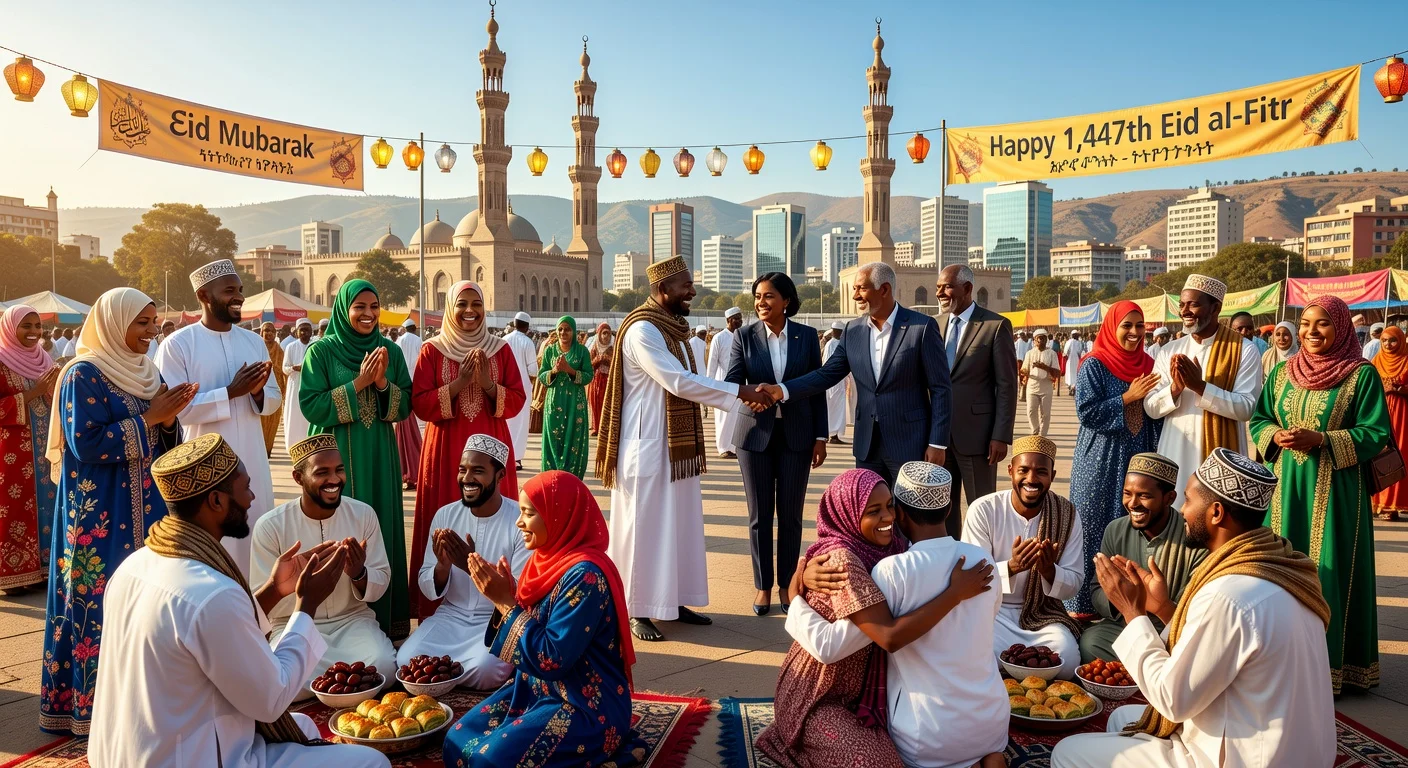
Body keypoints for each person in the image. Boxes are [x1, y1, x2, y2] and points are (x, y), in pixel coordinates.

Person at [90, 433, 391, 768]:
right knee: (371, 762)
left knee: (304, 725)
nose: (251, 498)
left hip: (126, 753)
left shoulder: (133, 565)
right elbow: (272, 701)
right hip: (192, 758)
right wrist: (307, 603)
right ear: (217, 502)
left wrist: (275, 590)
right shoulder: (213, 593)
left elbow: (217, 627)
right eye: (245, 488)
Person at [1050, 449, 1335, 768]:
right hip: (1295, 749)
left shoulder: (1228, 594)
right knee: (1123, 719)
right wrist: (1162, 609)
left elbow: (1173, 701)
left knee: (1067, 752)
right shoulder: (1281, 568)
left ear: (1215, 513)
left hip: (1245, 759)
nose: (1182, 511)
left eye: (1187, 500)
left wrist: (1134, 612)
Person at [758, 466, 1001, 768]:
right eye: (873, 511)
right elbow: (837, 646)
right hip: (823, 694)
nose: (887, 518)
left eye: (890, 507)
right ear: (846, 512)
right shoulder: (842, 560)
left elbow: (926, 548)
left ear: (902, 512)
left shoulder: (894, 552)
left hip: (868, 697)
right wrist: (795, 598)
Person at [595, 255, 773, 642]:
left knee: (679, 526)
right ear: (663, 290)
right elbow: (678, 381)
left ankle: (672, 600)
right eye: (685, 285)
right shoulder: (643, 330)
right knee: (645, 530)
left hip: (675, 450)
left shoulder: (670, 329)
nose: (692, 291)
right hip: (648, 447)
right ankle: (638, 607)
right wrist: (740, 392)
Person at [40, 288, 193, 736]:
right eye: (141, 323)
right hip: (97, 516)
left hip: (149, 511)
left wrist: (168, 419)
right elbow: (84, 443)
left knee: (148, 604)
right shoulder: (80, 374)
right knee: (97, 603)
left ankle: (148, 706)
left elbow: (168, 443)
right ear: (113, 322)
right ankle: (91, 714)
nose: (151, 332)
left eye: (153, 322)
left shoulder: (147, 372)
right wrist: (150, 419)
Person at [441, 470, 646, 767]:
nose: (519, 522)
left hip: (584, 705)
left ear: (557, 516)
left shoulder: (585, 576)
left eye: (528, 513)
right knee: (457, 740)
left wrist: (504, 602)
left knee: (489, 761)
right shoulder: (544, 561)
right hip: (534, 691)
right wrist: (506, 598)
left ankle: (612, 747)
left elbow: (552, 659)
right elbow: (527, 629)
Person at [1250, 294, 1388, 694]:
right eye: (1306, 323)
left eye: (1322, 323)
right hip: (1285, 489)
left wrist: (1323, 439)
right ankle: (1277, 663)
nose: (1311, 332)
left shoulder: (1361, 375)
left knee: (1331, 571)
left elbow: (1376, 433)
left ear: (1342, 327)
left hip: (1338, 492)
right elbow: (1261, 417)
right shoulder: (1282, 373)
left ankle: (1330, 669)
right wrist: (1273, 434)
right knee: (1279, 571)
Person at [757, 262, 951, 486]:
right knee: (871, 512)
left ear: (884, 289)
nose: (855, 296)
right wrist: (782, 390)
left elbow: (941, 389)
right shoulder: (853, 330)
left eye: (861, 288)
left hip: (910, 442)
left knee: (908, 518)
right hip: (867, 446)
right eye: (854, 289)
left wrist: (937, 443)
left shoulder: (922, 327)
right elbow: (826, 374)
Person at [299, 279, 413, 640]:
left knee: (379, 524)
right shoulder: (321, 352)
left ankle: (386, 622)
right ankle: (337, 621)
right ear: (343, 309)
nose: (368, 314)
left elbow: (406, 405)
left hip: (379, 455)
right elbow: (311, 404)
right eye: (359, 307)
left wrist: (382, 385)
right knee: (340, 528)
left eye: (374, 307)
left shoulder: (390, 352)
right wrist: (360, 383)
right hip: (334, 456)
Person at [409, 282, 525, 620]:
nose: (470, 310)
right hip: (446, 450)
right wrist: (459, 383)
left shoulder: (500, 349)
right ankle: (439, 607)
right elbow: (420, 404)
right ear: (449, 307)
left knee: (496, 515)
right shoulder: (433, 350)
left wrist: (488, 384)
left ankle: (500, 603)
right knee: (446, 518)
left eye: (476, 303)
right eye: (462, 303)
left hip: (491, 444)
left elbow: (516, 400)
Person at [155, 259, 279, 575]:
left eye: (239, 290)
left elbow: (275, 398)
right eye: (229, 291)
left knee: (256, 544)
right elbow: (176, 409)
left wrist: (257, 393)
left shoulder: (253, 341)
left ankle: (258, 619)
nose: (238, 297)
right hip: (203, 466)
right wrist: (231, 391)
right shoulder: (177, 345)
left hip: (251, 461)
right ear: (204, 296)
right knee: (210, 548)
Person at [250, 434, 395, 700]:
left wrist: (359, 574)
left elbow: (381, 580)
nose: (334, 480)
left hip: (352, 621)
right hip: (293, 623)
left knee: (383, 665)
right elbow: (263, 603)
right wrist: (293, 588)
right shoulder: (270, 526)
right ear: (298, 478)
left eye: (339, 470)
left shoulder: (363, 514)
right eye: (322, 472)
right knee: (279, 680)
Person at [726, 273, 827, 616]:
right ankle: (762, 586)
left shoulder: (808, 337)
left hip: (797, 436)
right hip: (754, 435)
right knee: (759, 516)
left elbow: (817, 387)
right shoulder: (744, 336)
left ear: (786, 300)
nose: (761, 303)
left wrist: (820, 436)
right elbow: (732, 382)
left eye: (769, 296)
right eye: (757, 296)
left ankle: (787, 585)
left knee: (791, 515)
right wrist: (751, 397)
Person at [399, 434, 527, 687]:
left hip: (496, 619)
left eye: (477, 471)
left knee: (485, 671)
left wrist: (471, 567)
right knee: (404, 661)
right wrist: (442, 568)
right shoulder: (445, 514)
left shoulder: (519, 519)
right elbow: (428, 588)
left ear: (500, 475)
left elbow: (522, 591)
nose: (467, 478)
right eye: (462, 470)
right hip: (451, 616)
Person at [960, 434, 1084, 679]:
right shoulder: (984, 510)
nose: (1031, 479)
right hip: (992, 612)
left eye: (1041, 472)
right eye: (1024, 470)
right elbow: (971, 578)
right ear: (1010, 471)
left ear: (1052, 475)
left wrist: (1050, 571)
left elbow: (1075, 583)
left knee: (1068, 659)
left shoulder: (1067, 514)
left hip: (1043, 614)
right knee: (977, 654)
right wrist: (1011, 567)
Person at [1068, 301, 1163, 615]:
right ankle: (1082, 606)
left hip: (1138, 458)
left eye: (1139, 326)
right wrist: (1128, 397)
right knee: (1092, 526)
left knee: (1131, 529)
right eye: (1127, 326)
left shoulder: (1150, 364)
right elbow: (1087, 412)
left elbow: (1158, 414)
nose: (1135, 332)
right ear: (1112, 327)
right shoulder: (1095, 363)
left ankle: (1124, 606)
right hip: (1099, 460)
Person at [1144, 274, 1263, 508]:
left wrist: (1200, 387)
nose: (1185, 311)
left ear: (1215, 307)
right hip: (1176, 448)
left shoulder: (1244, 351)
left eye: (1194, 304)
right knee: (1175, 515)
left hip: (1222, 455)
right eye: (1182, 305)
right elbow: (1151, 408)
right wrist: (1176, 389)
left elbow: (1247, 407)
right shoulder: (1169, 350)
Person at [1077, 452, 1205, 663]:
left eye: (1144, 496)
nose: (1132, 503)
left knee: (1185, 652)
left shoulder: (1193, 538)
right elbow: (1096, 590)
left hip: (1170, 629)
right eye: (1127, 493)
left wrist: (1158, 603)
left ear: (1169, 498)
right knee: (1091, 643)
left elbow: (1193, 613)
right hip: (1125, 624)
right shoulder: (1115, 529)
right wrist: (1119, 596)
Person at [934, 264, 1017, 529]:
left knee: (982, 509)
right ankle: (951, 564)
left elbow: (1007, 386)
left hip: (979, 439)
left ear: (968, 288)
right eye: (937, 287)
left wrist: (1001, 435)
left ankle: (983, 564)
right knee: (941, 510)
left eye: (946, 287)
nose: (939, 293)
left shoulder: (995, 325)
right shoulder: (935, 325)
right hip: (939, 439)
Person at [0, 305, 59, 592]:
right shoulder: (0, 361)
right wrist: (32, 393)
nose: (34, 332)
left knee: (49, 503)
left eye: (38, 326)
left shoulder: (45, 359)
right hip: (11, 454)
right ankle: (14, 574)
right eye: (27, 326)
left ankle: (45, 569)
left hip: (46, 448)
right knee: (14, 508)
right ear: (10, 328)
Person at [539, 315, 594, 477]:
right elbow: (542, 376)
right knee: (553, 439)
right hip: (554, 401)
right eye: (560, 329)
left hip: (574, 404)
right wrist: (554, 371)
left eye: (567, 329)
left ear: (574, 331)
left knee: (573, 438)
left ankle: (571, 479)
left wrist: (569, 369)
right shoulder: (549, 350)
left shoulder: (582, 351)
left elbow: (589, 376)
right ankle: (552, 479)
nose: (563, 333)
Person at [1374, 326, 1408, 520]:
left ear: (1401, 341)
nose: (1388, 344)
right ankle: (1383, 504)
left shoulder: (1407, 359)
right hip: (1380, 413)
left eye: (1392, 340)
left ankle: (1397, 503)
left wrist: (1399, 388)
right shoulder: (1375, 361)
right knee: (1382, 454)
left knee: (1401, 453)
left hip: (1403, 416)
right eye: (1385, 340)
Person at [503, 312, 537, 470]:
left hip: (505, 387)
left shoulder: (504, 340)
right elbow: (533, 371)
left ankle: (504, 456)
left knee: (506, 422)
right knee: (521, 423)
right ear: (527, 327)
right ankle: (516, 459)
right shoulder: (528, 342)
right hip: (522, 388)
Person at [709, 307, 745, 456]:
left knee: (736, 416)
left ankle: (734, 447)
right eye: (737, 318)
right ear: (729, 320)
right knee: (723, 417)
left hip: (739, 382)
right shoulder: (719, 338)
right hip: (722, 381)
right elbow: (712, 362)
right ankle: (723, 448)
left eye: (741, 318)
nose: (740, 321)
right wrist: (709, 386)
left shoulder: (742, 336)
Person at [395, 318, 424, 490]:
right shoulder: (418, 340)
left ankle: (406, 470)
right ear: (413, 328)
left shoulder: (399, 341)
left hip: (400, 384)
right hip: (414, 382)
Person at [281, 319, 313, 452]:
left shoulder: (315, 345)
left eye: (307, 330)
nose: (305, 332)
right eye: (302, 330)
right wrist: (294, 368)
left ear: (312, 331)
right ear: (297, 331)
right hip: (295, 385)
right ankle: (295, 446)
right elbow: (284, 368)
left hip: (312, 385)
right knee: (294, 415)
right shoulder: (291, 347)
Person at [1021, 328, 1060, 436]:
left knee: (1045, 414)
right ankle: (1035, 432)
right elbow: (1024, 370)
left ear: (1046, 339)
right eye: (1038, 339)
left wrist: (1044, 367)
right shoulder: (1029, 353)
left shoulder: (1051, 353)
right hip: (1032, 385)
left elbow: (1057, 373)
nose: (1040, 341)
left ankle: (1042, 436)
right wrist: (1022, 373)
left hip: (1046, 386)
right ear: (1034, 340)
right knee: (1031, 411)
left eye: (1043, 339)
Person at [259, 322, 286, 458]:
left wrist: (284, 392)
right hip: (259, 392)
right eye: (266, 330)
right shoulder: (256, 348)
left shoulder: (280, 351)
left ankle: (268, 450)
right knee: (260, 422)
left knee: (273, 422)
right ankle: (260, 449)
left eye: (271, 331)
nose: (269, 333)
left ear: (275, 334)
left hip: (276, 392)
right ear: (261, 333)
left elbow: (284, 372)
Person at [822, 321, 849, 444]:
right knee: (834, 408)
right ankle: (833, 435)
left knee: (838, 408)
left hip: (837, 382)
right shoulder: (832, 344)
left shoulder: (837, 343)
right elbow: (831, 365)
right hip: (834, 382)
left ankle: (835, 434)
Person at [587, 322, 614, 435]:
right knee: (595, 404)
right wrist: (598, 359)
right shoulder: (594, 348)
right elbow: (589, 366)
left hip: (609, 380)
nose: (606, 336)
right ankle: (596, 427)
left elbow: (616, 364)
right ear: (599, 335)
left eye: (608, 333)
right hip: (596, 379)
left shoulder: (614, 347)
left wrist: (607, 359)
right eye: (604, 333)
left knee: (608, 403)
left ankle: (607, 428)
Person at [528, 329, 555, 436]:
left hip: (541, 374)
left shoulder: (545, 342)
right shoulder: (552, 344)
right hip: (549, 374)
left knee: (538, 398)